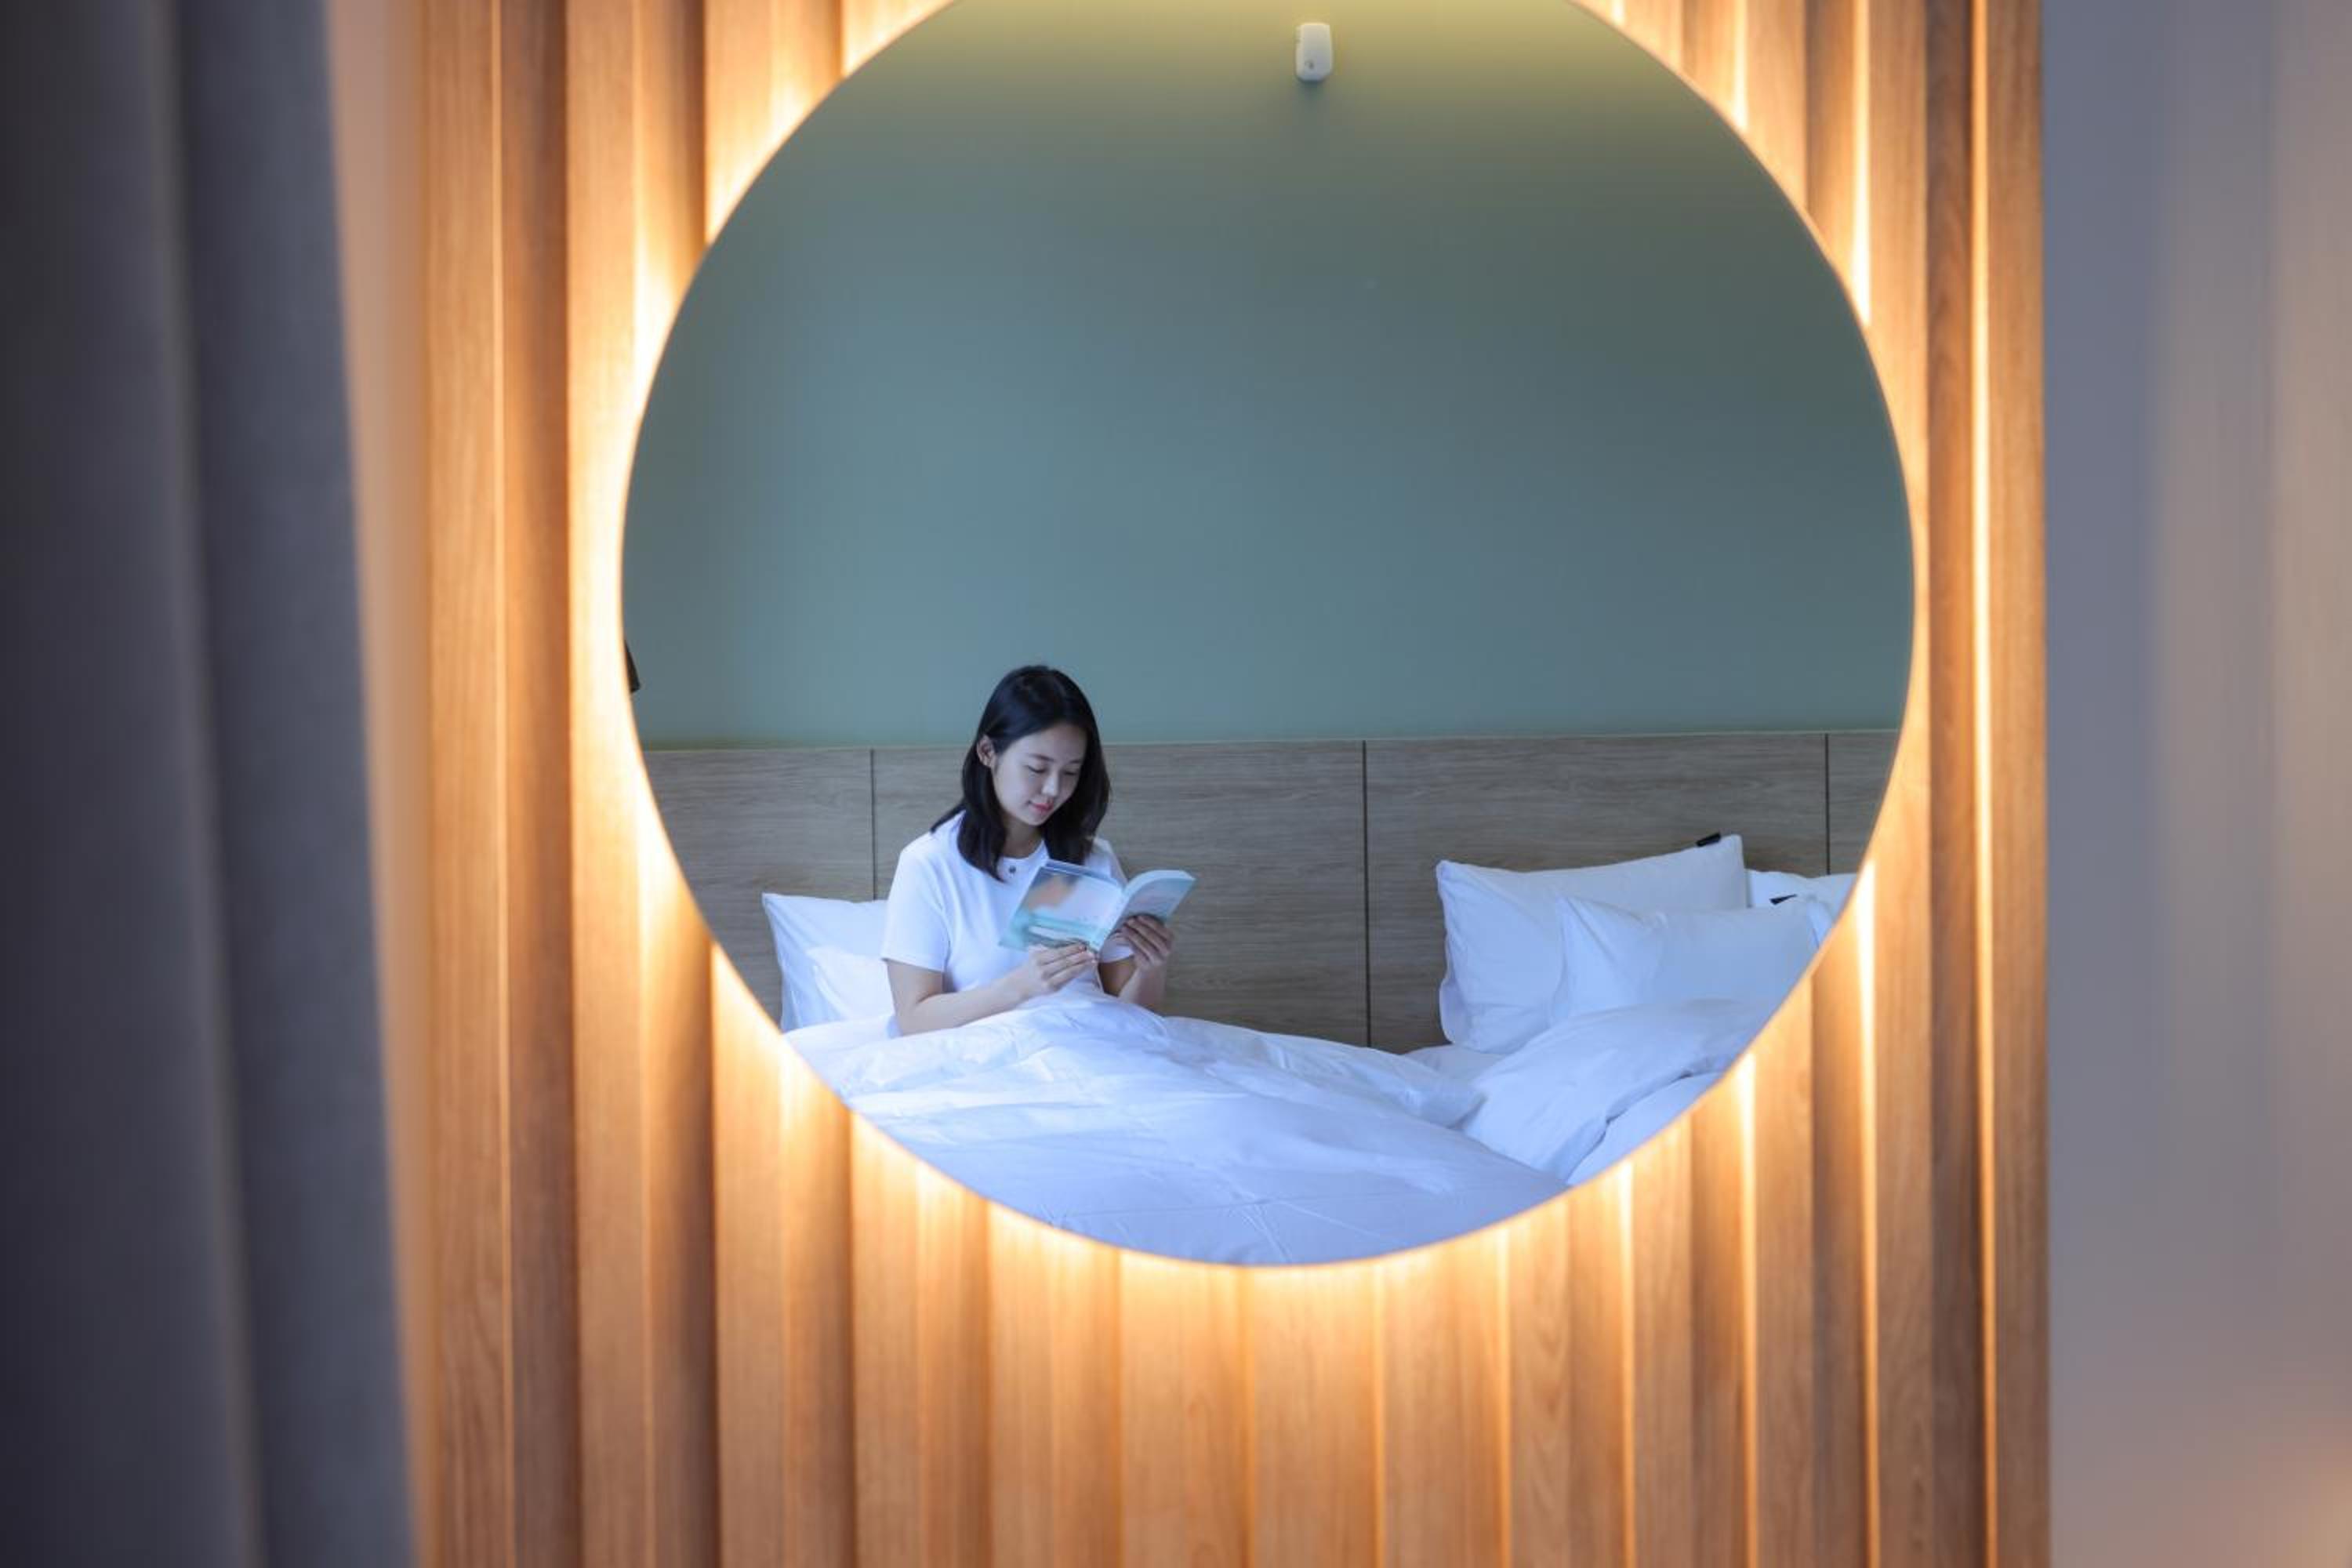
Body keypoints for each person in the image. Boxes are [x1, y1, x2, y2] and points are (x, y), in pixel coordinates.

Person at [880, 665, 1175, 1036]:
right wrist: (1018, 987)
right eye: (1037, 768)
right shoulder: (929, 864)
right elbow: (913, 1019)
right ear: (988, 751)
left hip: (1093, 1048)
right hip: (986, 1053)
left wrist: (1151, 968)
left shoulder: (1095, 860)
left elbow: (1133, 1018)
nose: (1053, 789)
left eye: (1070, 772)